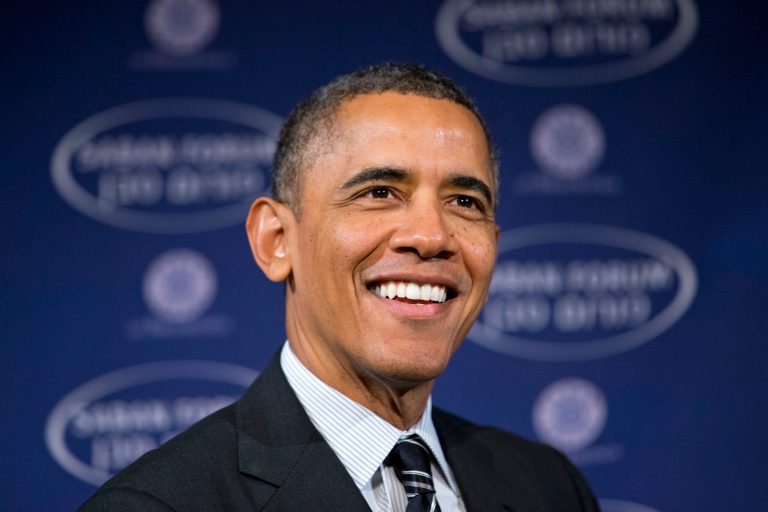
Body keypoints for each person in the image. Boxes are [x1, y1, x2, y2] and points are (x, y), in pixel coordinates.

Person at [79, 63, 599, 511]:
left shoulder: (548, 486)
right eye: (380, 192)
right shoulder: (160, 504)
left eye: (465, 202)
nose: (432, 237)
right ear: (276, 240)